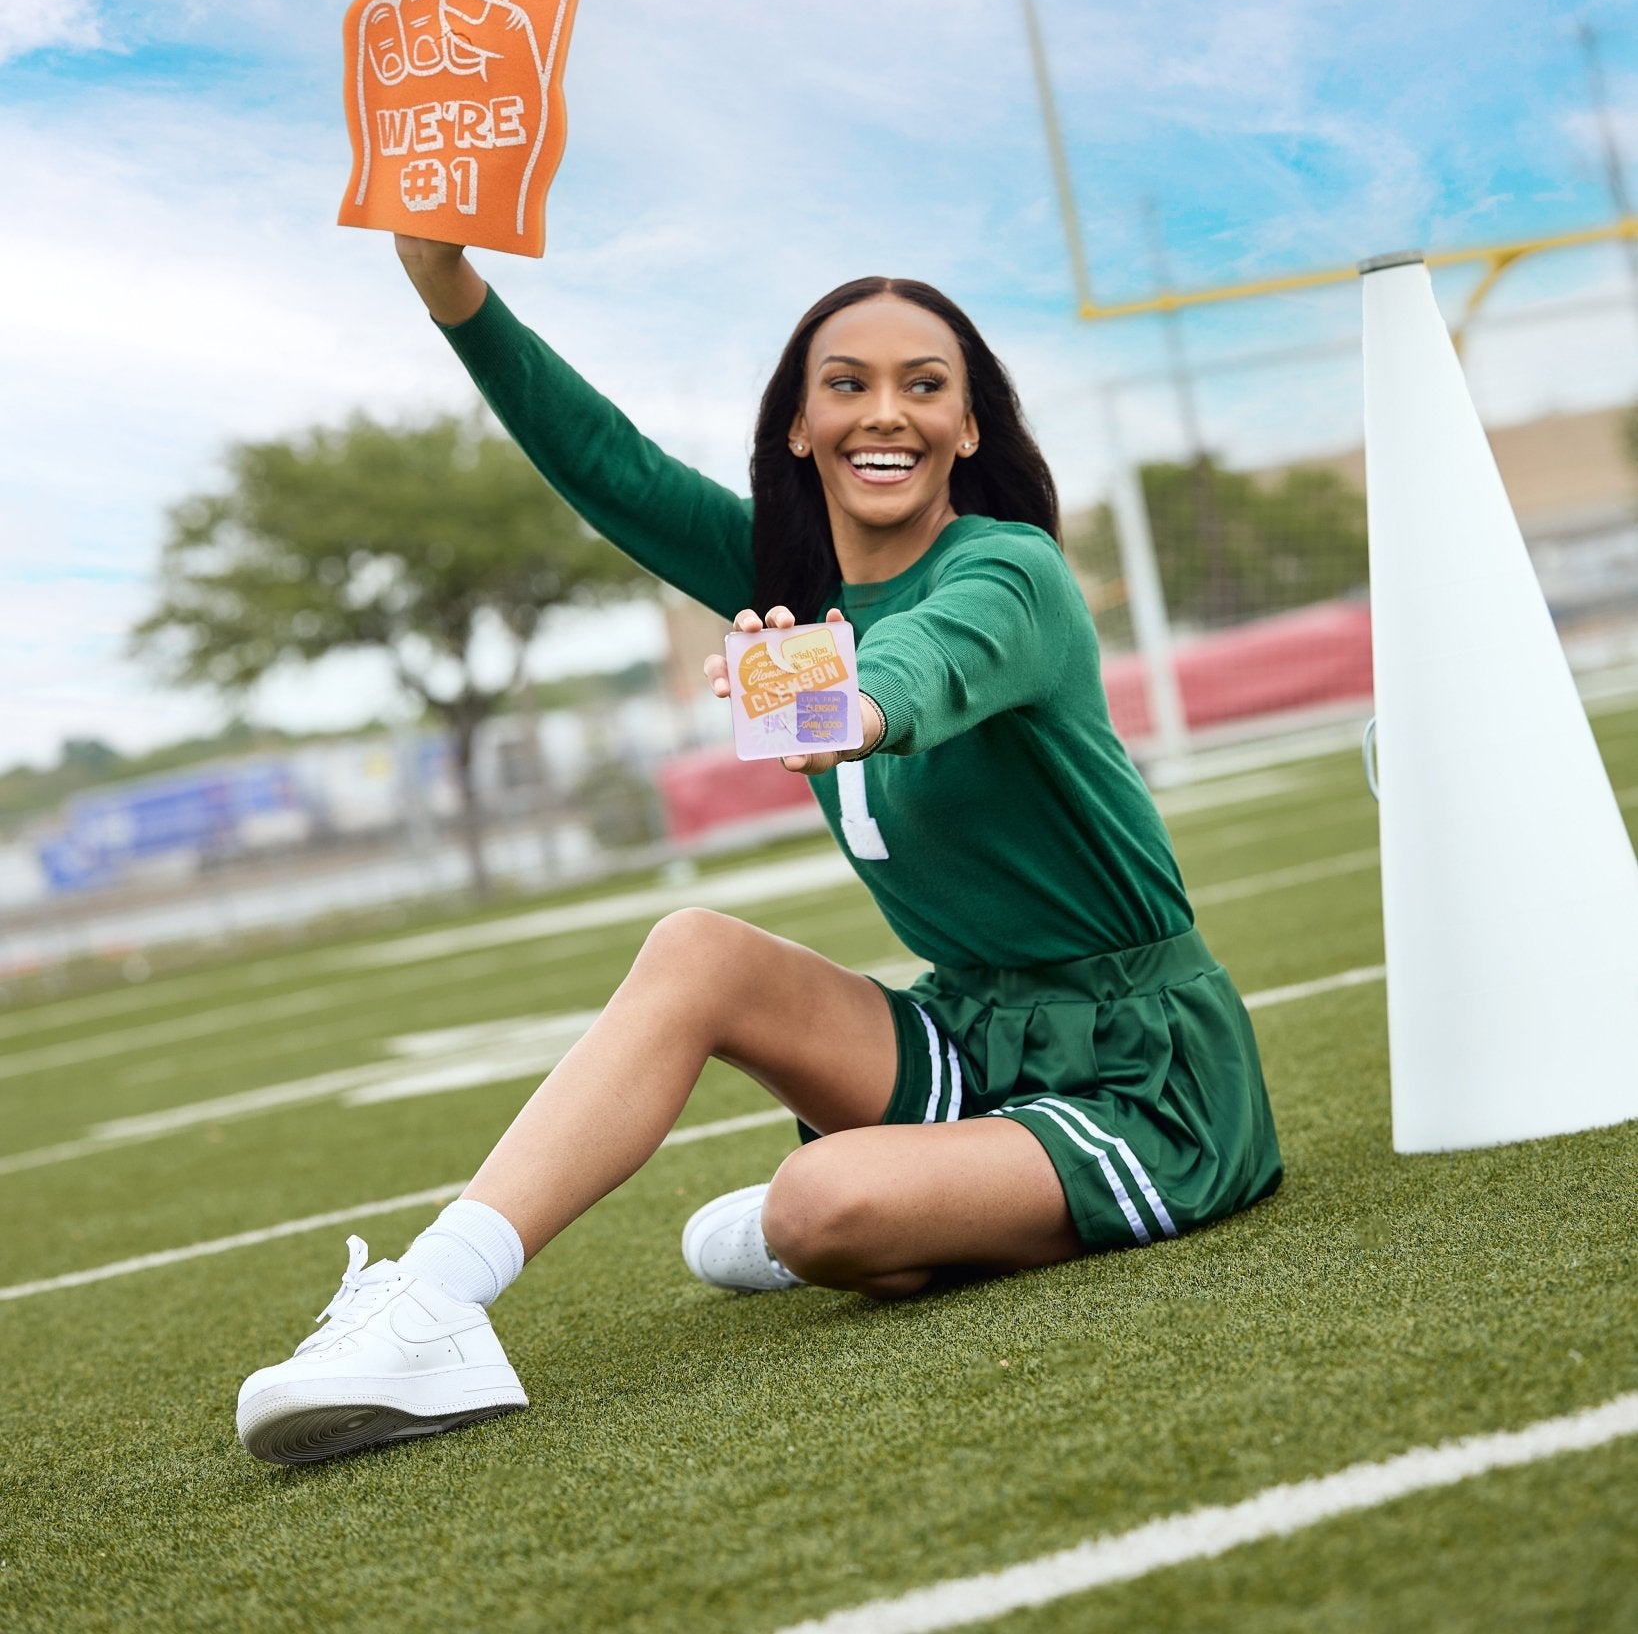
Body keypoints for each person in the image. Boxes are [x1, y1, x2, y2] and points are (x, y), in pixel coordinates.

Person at [235, 240, 1283, 1464]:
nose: (884, 411)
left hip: (1139, 1065)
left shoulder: (1014, 568)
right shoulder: (787, 576)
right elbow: (608, 465)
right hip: (972, 1030)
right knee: (698, 948)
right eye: (847, 383)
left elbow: (930, 659)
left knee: (819, 1202)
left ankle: (899, 1210)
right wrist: (445, 282)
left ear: (967, 427)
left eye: (924, 384)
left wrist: (850, 704)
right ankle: (432, 1298)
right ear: (799, 423)